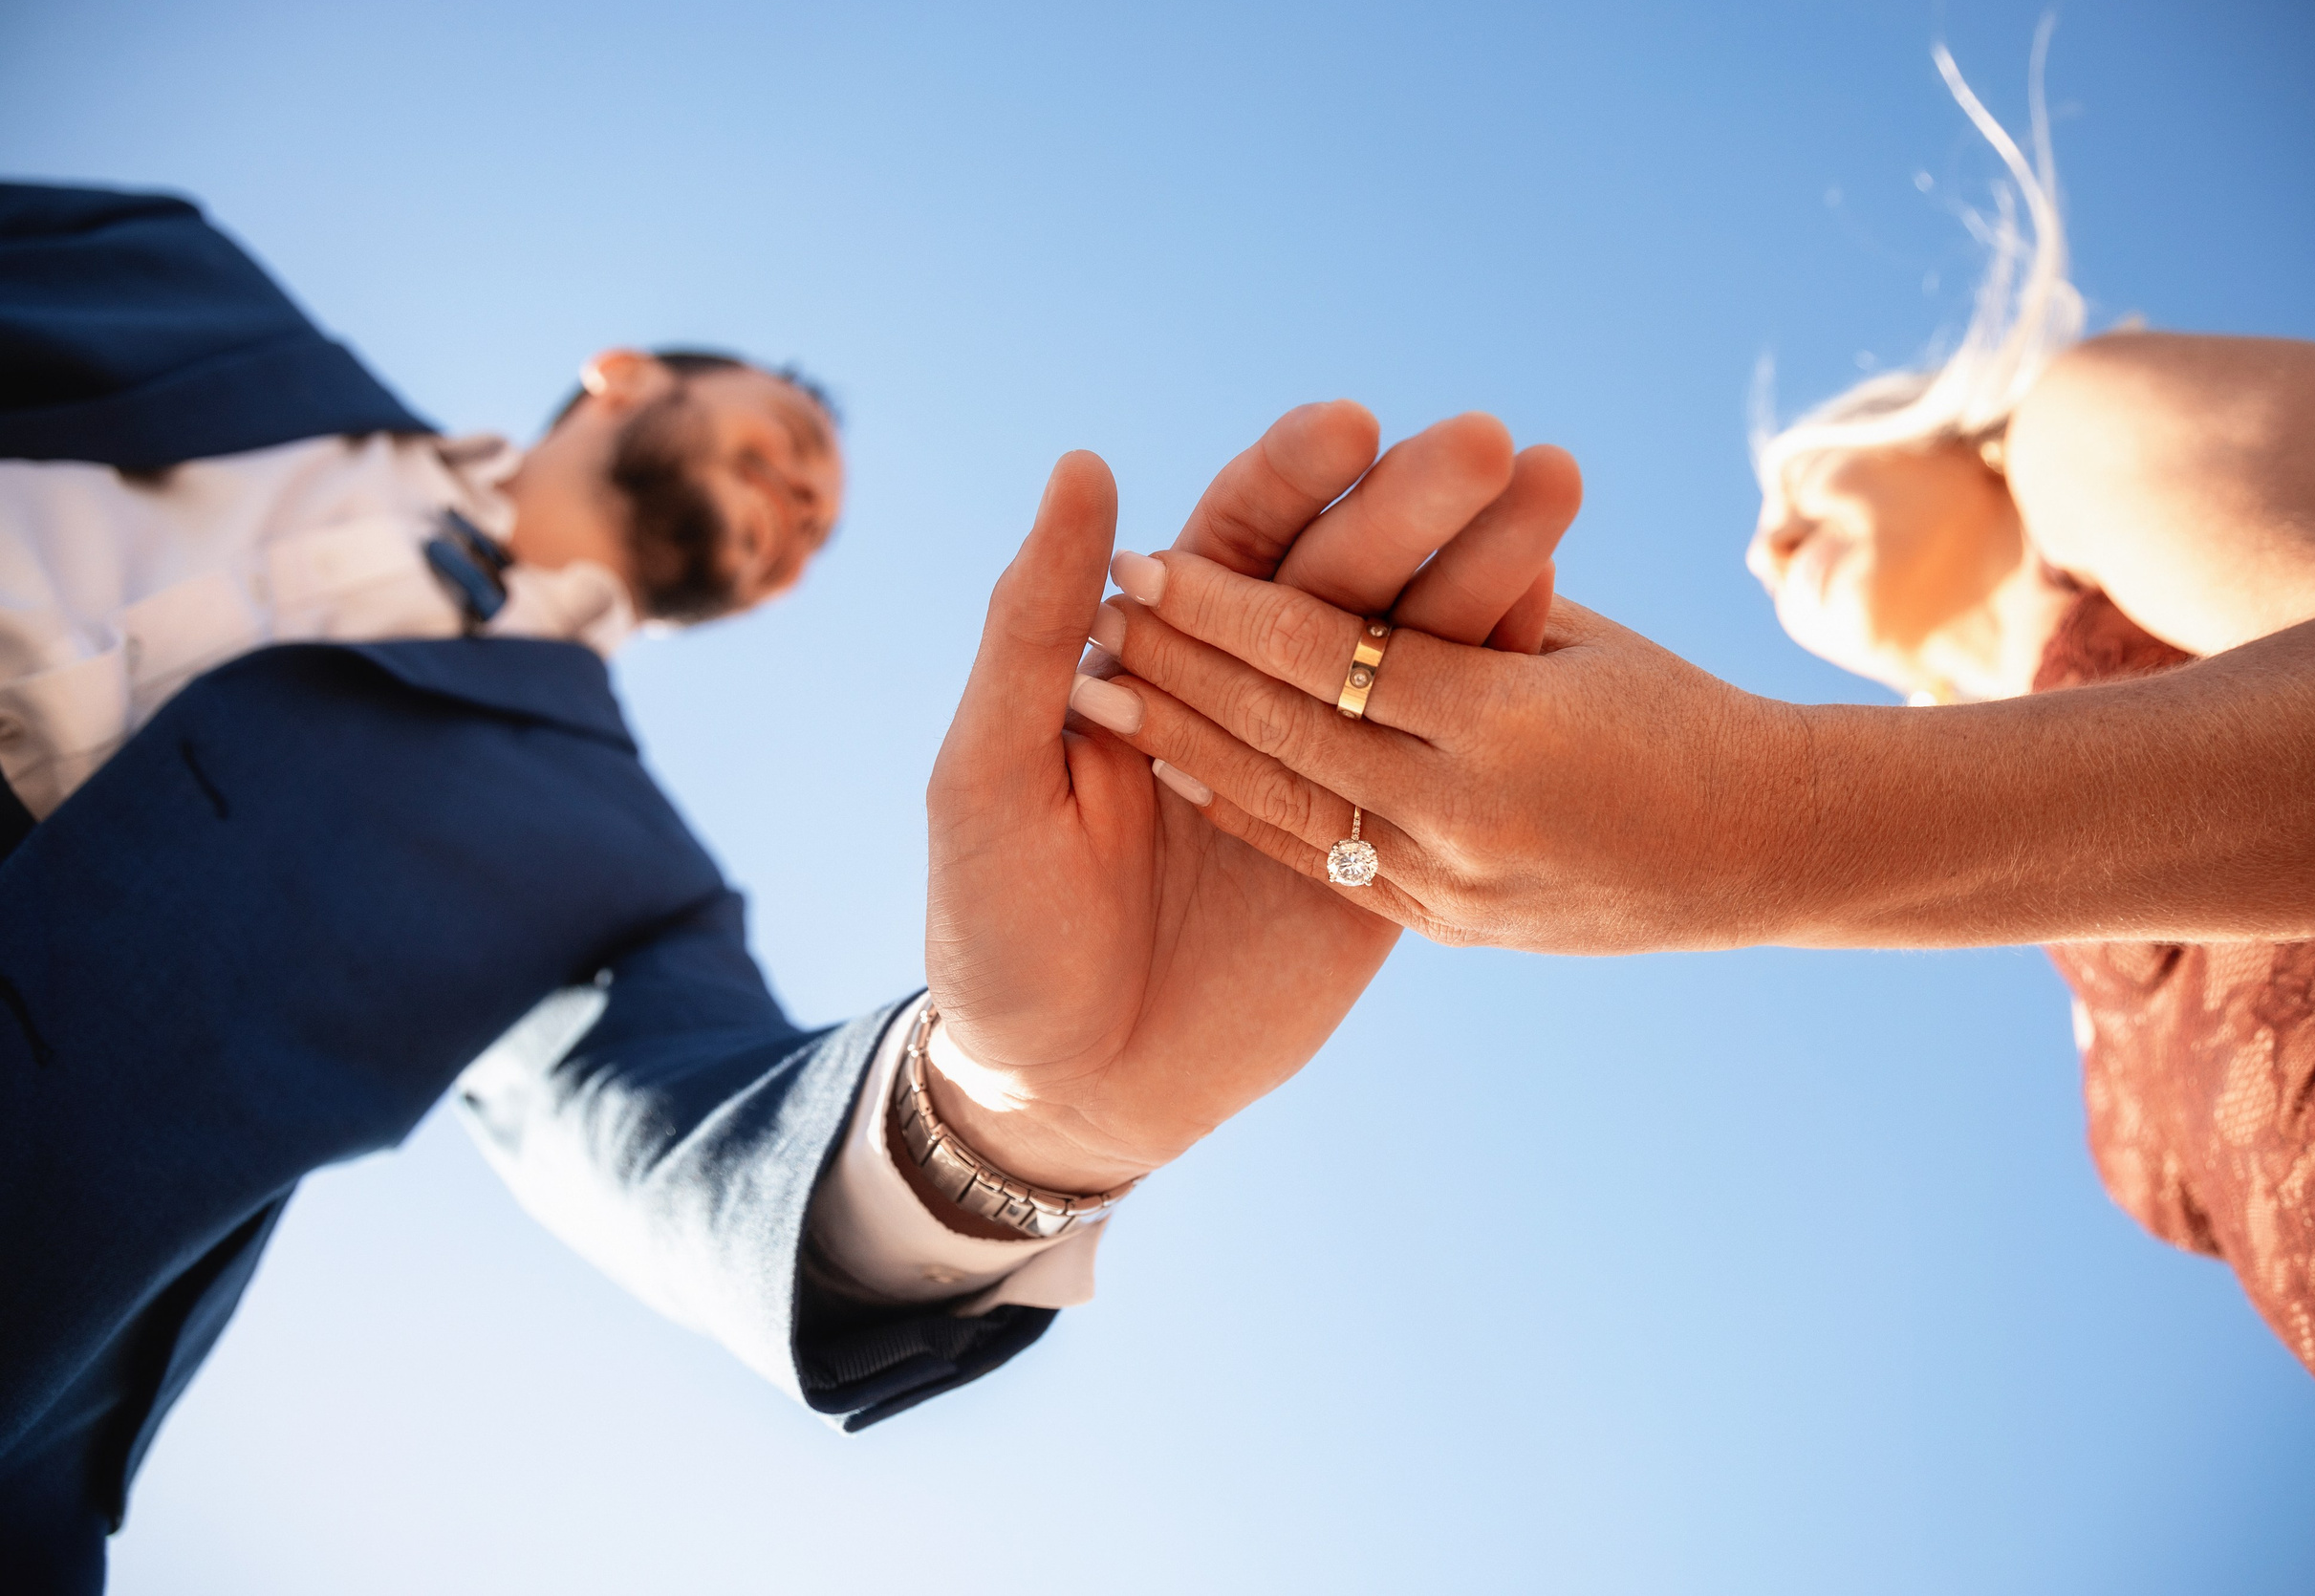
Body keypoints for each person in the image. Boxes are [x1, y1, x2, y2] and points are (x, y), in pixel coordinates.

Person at [0, 180, 1577, 1589]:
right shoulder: (165, 274)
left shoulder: (618, 872)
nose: (804, 510)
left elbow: (695, 1143)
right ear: (623, 375)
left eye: (815, 526)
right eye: (786, 444)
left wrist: (1030, 1115)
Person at [1072, 49, 2315, 1534]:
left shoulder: (2071, 428)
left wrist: (1768, 824)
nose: (1763, 541)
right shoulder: (2039, 906)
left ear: (1948, 440)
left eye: (1807, 478)